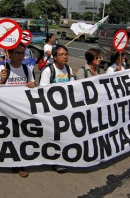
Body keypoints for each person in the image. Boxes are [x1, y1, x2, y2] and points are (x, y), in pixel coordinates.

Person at [0, 43, 35, 178]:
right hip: (5, 111)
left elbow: (33, 87)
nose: (20, 56)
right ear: (8, 54)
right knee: (7, 138)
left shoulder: (26, 69)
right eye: (17, 53)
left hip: (21, 110)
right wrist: (1, 80)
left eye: (22, 53)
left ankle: (18, 164)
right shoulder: (2, 68)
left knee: (20, 137)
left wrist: (32, 85)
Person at [39, 45, 74, 173]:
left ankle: (62, 158)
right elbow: (42, 91)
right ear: (54, 57)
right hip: (52, 111)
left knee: (64, 136)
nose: (65, 56)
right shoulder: (48, 71)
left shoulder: (68, 69)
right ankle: (54, 161)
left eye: (66, 54)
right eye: (61, 54)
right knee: (53, 137)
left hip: (65, 110)